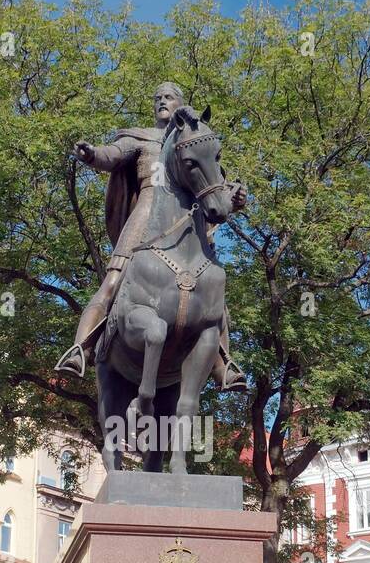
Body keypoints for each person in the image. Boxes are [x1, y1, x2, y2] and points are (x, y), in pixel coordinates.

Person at [55, 81, 247, 390]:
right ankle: (81, 349)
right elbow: (113, 155)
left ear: (180, 105)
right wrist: (92, 155)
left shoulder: (194, 141)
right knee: (113, 283)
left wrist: (235, 198)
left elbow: (216, 188)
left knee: (214, 295)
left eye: (169, 97)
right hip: (145, 219)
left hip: (189, 226)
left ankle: (223, 363)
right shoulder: (141, 139)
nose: (161, 101)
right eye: (157, 98)